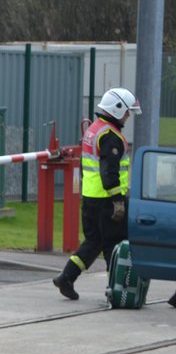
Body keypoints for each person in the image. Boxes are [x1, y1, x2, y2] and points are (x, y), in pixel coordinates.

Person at [53, 87, 142, 301]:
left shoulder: (94, 130)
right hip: (107, 201)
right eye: (127, 111)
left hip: (91, 198)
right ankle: (117, 289)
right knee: (115, 244)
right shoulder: (111, 137)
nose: (128, 116)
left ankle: (67, 277)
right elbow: (109, 172)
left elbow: (88, 167)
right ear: (117, 108)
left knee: (94, 242)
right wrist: (118, 201)